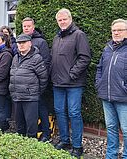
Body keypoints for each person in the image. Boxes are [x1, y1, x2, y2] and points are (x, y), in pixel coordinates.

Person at [51, 8, 91, 158]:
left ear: (70, 19)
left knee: (74, 113)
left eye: (64, 19)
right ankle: (64, 140)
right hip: (58, 83)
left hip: (74, 83)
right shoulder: (57, 37)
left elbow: (85, 58)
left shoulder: (79, 35)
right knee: (59, 111)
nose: (62, 22)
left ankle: (77, 146)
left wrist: (72, 74)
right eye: (59, 20)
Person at [95, 19, 127, 159]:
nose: (116, 33)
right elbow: (100, 68)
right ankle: (111, 156)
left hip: (123, 98)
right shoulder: (107, 48)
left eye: (119, 30)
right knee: (111, 129)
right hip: (106, 97)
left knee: (126, 131)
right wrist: (99, 83)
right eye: (114, 30)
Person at [9, 34, 48, 138]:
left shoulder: (36, 58)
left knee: (31, 126)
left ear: (30, 43)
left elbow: (43, 78)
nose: (21, 45)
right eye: (19, 43)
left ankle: (32, 147)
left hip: (30, 98)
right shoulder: (15, 58)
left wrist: (34, 92)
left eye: (24, 43)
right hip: (17, 97)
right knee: (19, 125)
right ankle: (21, 147)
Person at [22, 17, 52, 142]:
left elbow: (46, 62)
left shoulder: (41, 42)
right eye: (24, 26)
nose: (26, 28)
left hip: (37, 83)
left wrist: (41, 82)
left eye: (29, 26)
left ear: (33, 27)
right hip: (23, 83)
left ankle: (46, 133)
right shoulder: (21, 41)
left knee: (41, 107)